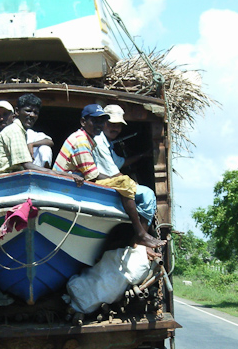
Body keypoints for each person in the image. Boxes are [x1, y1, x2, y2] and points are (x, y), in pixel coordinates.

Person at [53, 104, 161, 250]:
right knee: (125, 184)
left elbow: (97, 172)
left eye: (101, 121)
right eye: (95, 121)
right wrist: (122, 182)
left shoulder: (88, 140)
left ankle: (140, 235)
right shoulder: (82, 141)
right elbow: (93, 176)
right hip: (66, 188)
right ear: (83, 122)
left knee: (124, 182)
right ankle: (140, 234)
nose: (99, 125)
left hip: (74, 185)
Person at [0, 94, 82, 183]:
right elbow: (27, 165)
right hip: (0, 180)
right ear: (17, 112)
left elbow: (49, 141)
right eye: (28, 110)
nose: (32, 115)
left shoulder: (20, 131)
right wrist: (61, 174)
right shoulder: (14, 130)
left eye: (35, 112)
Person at [93, 104, 157, 231]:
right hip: (101, 184)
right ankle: (141, 238)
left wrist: (142, 155)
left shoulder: (107, 143)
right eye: (112, 124)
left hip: (107, 182)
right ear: (103, 123)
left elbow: (120, 162)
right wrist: (133, 184)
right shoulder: (99, 142)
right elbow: (115, 173)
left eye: (118, 125)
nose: (115, 129)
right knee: (148, 195)